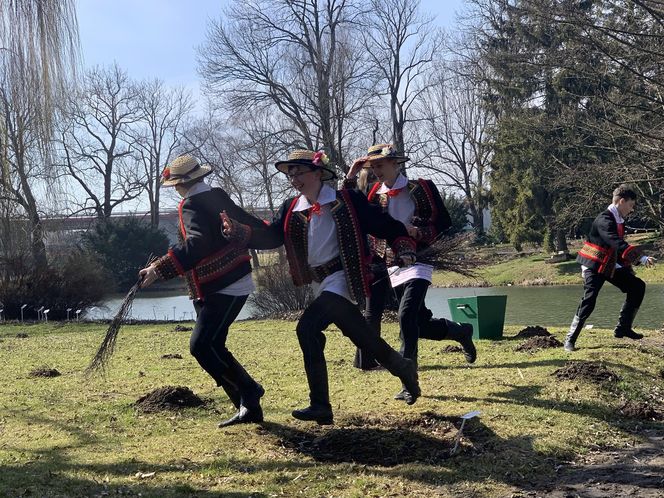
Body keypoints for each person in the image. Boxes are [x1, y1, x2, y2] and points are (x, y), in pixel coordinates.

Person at [222, 149, 420, 425]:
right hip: (318, 282)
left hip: (342, 277)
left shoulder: (346, 200)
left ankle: (320, 405)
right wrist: (240, 233)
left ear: (318, 173)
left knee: (307, 328)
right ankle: (403, 367)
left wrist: (402, 243)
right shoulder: (291, 208)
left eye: (299, 172)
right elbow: (271, 237)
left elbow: (382, 223)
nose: (293, 179)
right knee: (362, 337)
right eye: (290, 174)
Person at [139, 154, 266, 428]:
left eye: (174, 185)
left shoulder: (191, 205)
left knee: (200, 347)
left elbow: (197, 245)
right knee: (214, 345)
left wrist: (159, 268)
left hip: (222, 285)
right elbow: (251, 223)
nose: (174, 189)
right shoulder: (217, 196)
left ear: (181, 184)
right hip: (230, 281)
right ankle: (249, 409)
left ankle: (249, 390)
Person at [344, 144, 476, 402]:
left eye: (380, 166)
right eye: (373, 168)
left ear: (396, 163)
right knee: (418, 323)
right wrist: (350, 177)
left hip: (420, 259)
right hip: (391, 264)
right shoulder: (373, 193)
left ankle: (408, 379)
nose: (377, 172)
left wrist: (418, 231)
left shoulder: (421, 187)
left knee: (405, 315)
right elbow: (351, 210)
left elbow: (443, 222)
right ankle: (461, 332)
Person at [564, 184, 655, 351]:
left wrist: (628, 266)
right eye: (630, 205)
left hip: (609, 264)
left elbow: (615, 249)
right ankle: (570, 339)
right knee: (589, 300)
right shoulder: (604, 219)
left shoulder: (618, 219)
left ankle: (623, 328)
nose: (631, 209)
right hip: (593, 265)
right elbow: (615, 241)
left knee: (637, 286)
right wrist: (639, 258)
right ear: (621, 201)